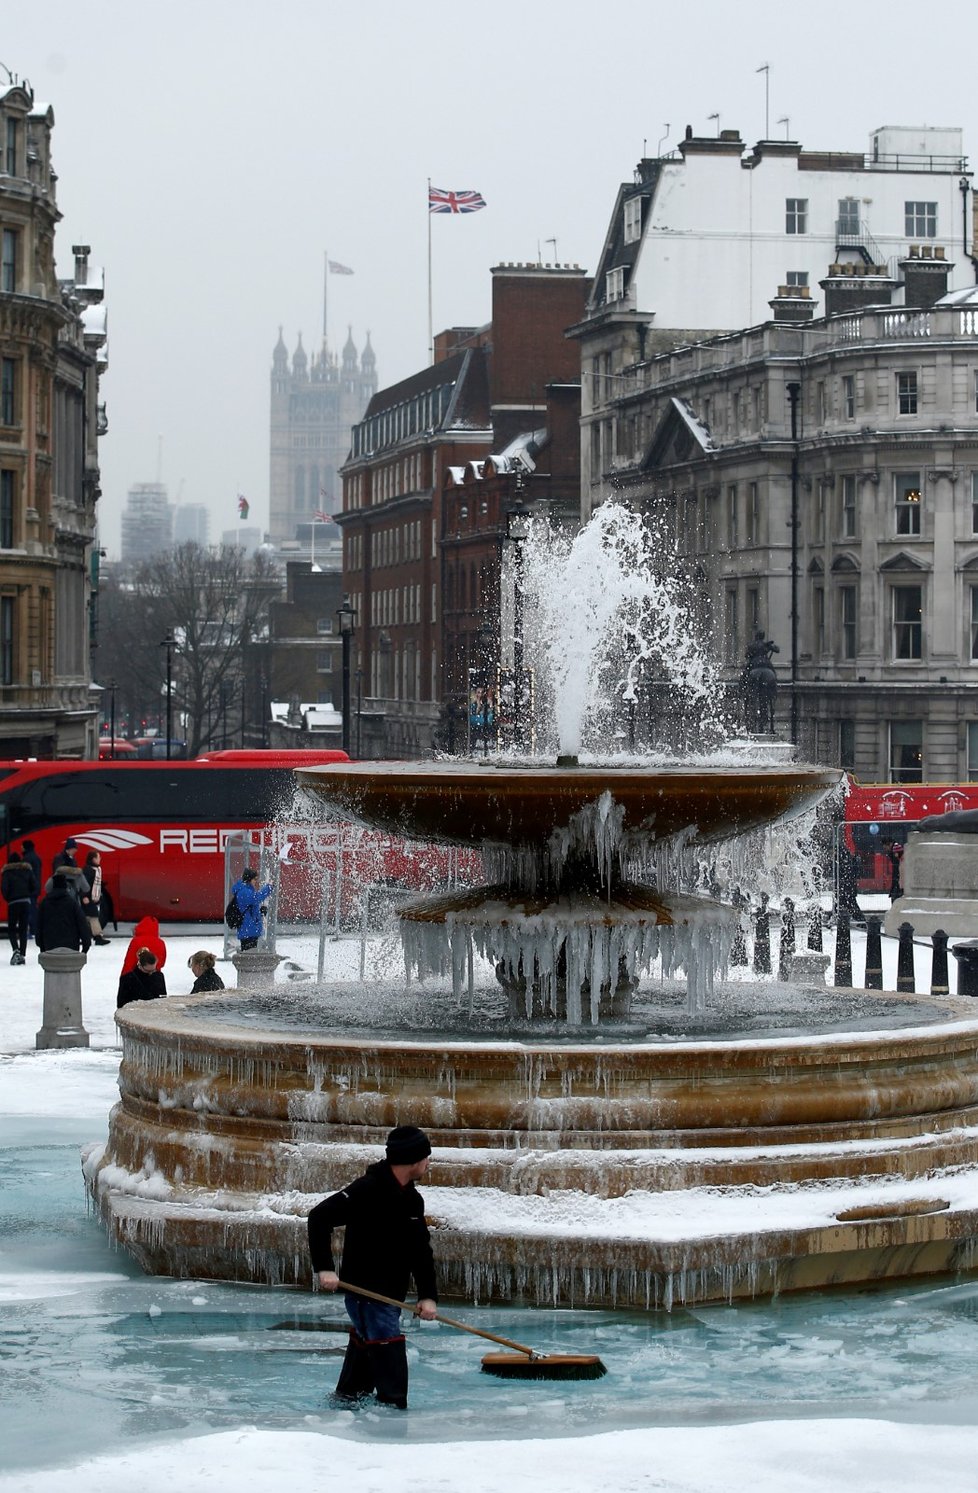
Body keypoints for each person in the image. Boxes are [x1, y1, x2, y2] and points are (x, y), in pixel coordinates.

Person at [307, 1125, 438, 1410]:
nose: (429, 1163)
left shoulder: (412, 1200)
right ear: (413, 1159)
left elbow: (420, 1251)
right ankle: (393, 1409)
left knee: (368, 1340)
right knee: (385, 1342)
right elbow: (319, 1217)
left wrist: (428, 1295)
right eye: (427, 1157)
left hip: (390, 1295)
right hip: (364, 1292)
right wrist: (324, 1268)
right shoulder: (366, 1189)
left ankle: (348, 1399)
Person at [37, 871, 92, 954]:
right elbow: (82, 925)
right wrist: (85, 947)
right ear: (65, 887)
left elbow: (39, 926)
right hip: (71, 948)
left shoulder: (44, 904)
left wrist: (42, 946)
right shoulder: (72, 904)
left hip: (50, 948)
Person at [2, 851, 36, 965]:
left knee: (12, 928)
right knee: (23, 929)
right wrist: (28, 895)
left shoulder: (7, 873)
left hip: (13, 903)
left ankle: (15, 949)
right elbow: (34, 885)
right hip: (25, 902)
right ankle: (22, 954)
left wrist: (9, 898)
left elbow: (4, 889)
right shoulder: (27, 871)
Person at [230, 866, 273, 951]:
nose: (255, 882)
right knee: (249, 956)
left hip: (249, 929)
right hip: (248, 930)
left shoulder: (246, 890)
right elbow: (257, 898)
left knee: (250, 956)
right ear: (249, 879)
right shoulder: (244, 891)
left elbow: (250, 910)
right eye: (255, 879)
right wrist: (269, 887)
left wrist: (260, 913)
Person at [120, 915, 167, 979]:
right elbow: (162, 963)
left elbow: (129, 963)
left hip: (136, 977)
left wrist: (123, 978)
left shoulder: (136, 941)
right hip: (154, 977)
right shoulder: (161, 943)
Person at [82, 850, 112, 945]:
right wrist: (84, 896)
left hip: (91, 897)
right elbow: (84, 884)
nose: (100, 859)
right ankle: (98, 937)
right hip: (88, 898)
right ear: (94, 859)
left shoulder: (95, 869)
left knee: (87, 917)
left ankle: (85, 936)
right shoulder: (89, 870)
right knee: (93, 916)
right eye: (98, 857)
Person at [20, 838, 42, 942]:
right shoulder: (36, 857)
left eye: (22, 846)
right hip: (35, 887)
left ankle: (32, 931)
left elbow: (25, 876)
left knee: (29, 910)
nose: (21, 848)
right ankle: (35, 930)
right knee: (33, 909)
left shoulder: (26, 859)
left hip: (28, 889)